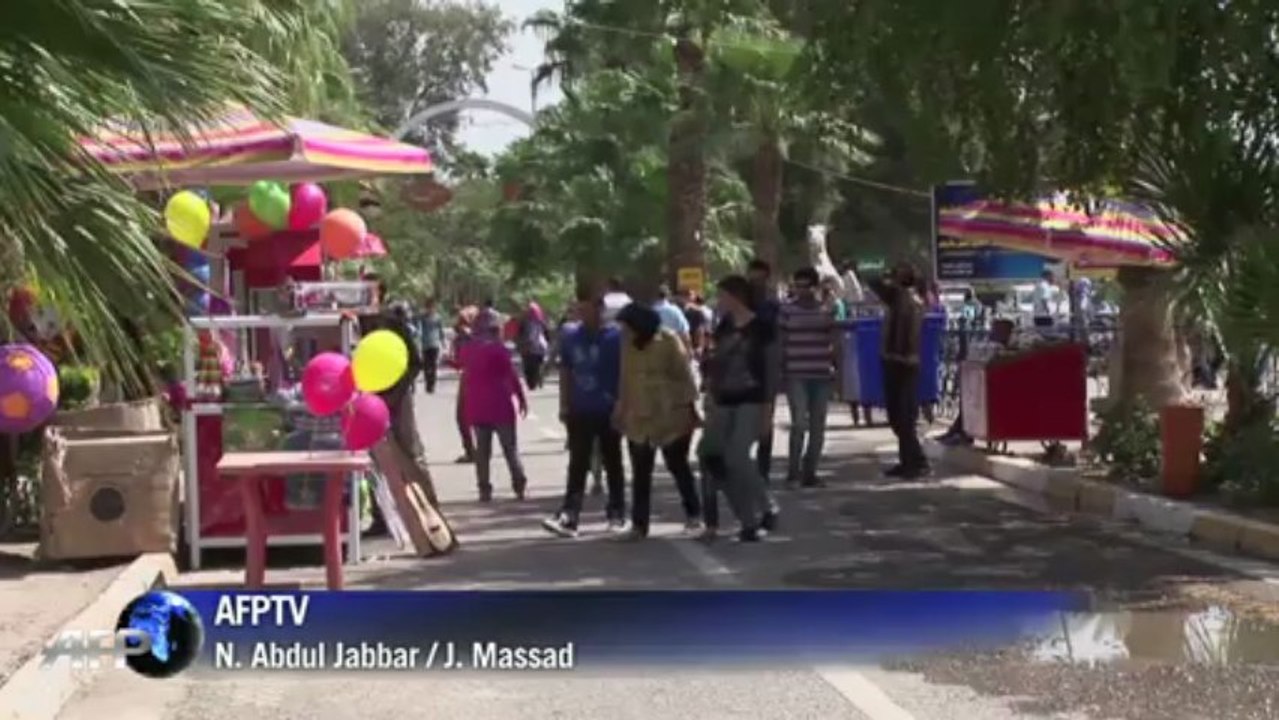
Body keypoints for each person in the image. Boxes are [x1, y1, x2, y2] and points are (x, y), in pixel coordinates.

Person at [612, 303, 703, 540]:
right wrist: (620, 408)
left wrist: (692, 409)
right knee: (641, 472)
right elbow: (624, 376)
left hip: (670, 413)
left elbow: (685, 375)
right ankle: (639, 525)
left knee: (678, 466)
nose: (624, 333)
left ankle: (695, 515)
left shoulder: (669, 340)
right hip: (639, 416)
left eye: (627, 328)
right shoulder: (627, 345)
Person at [699, 274, 779, 542]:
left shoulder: (762, 329)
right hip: (724, 400)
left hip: (752, 400)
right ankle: (749, 519)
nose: (718, 301)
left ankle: (766, 506)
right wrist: (710, 394)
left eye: (722, 296)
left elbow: (770, 372)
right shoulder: (723, 327)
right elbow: (714, 364)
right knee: (713, 457)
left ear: (736, 297)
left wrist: (767, 412)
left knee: (736, 456)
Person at [542, 287, 627, 538]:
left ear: (599, 309)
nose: (581, 313)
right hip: (580, 408)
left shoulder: (615, 337)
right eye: (579, 308)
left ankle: (617, 513)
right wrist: (564, 404)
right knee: (578, 463)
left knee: (613, 462)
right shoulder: (571, 336)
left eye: (586, 308)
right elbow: (566, 371)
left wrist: (623, 404)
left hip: (609, 408)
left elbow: (625, 373)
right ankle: (570, 515)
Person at [867, 262, 930, 478]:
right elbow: (874, 282)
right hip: (894, 360)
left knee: (904, 416)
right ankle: (910, 460)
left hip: (904, 362)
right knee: (898, 416)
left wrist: (884, 275)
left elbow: (874, 281)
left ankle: (916, 462)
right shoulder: (901, 298)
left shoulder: (905, 298)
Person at [459, 311, 529, 502]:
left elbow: (464, 376)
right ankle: (519, 483)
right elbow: (511, 376)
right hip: (500, 405)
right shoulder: (499, 350)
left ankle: (484, 488)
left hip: (478, 406)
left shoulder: (467, 349)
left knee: (482, 451)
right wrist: (521, 398)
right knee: (510, 448)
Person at [780, 267, 840, 487]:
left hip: (821, 374)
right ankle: (793, 473)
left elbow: (834, 342)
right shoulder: (786, 310)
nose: (801, 291)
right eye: (798, 286)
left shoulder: (826, 311)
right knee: (798, 424)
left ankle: (810, 472)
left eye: (806, 286)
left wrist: (838, 372)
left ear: (815, 287)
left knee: (818, 426)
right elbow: (781, 341)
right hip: (796, 374)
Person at [377, 302, 436, 501]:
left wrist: (397, 393)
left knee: (410, 451)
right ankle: (384, 514)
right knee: (379, 459)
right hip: (374, 400)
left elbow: (415, 364)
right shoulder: (358, 324)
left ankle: (428, 501)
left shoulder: (394, 326)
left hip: (398, 398)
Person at [745, 258, 782, 483]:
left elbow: (769, 327)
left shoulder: (771, 302)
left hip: (766, 361)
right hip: (744, 362)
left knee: (765, 418)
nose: (755, 280)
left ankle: (763, 468)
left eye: (759, 277)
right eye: (752, 276)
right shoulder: (741, 299)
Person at [450, 308, 479, 464]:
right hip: (478, 378)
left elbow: (461, 361)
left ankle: (471, 451)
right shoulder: (480, 335)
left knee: (463, 417)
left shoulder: (465, 336)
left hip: (469, 378)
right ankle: (478, 451)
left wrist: (450, 361)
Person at [516, 301, 550, 390]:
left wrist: (519, 344)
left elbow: (519, 334)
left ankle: (532, 382)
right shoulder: (542, 322)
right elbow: (547, 335)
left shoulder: (524, 322)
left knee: (528, 366)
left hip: (528, 348)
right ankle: (537, 379)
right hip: (539, 348)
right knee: (537, 365)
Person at [416, 297, 446, 394]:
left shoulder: (438, 317)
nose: (430, 308)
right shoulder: (422, 317)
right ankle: (428, 384)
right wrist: (419, 341)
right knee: (426, 365)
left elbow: (441, 330)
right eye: (428, 307)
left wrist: (443, 342)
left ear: (434, 307)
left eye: (432, 307)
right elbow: (419, 330)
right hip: (425, 344)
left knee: (433, 365)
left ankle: (432, 385)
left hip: (434, 344)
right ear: (426, 307)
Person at [652, 284, 692, 353]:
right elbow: (685, 334)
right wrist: (689, 350)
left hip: (655, 352)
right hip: (674, 352)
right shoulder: (675, 311)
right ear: (668, 295)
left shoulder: (650, 311)